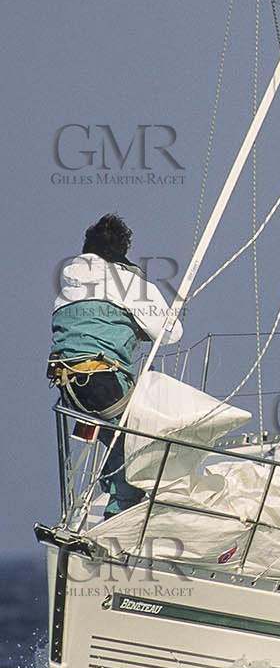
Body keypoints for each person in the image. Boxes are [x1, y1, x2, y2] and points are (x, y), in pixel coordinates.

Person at [48, 215, 183, 515]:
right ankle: (123, 509)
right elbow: (170, 333)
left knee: (116, 435)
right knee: (149, 432)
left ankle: (113, 497)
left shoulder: (67, 285)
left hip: (69, 390)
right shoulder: (127, 281)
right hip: (104, 384)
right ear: (122, 251)